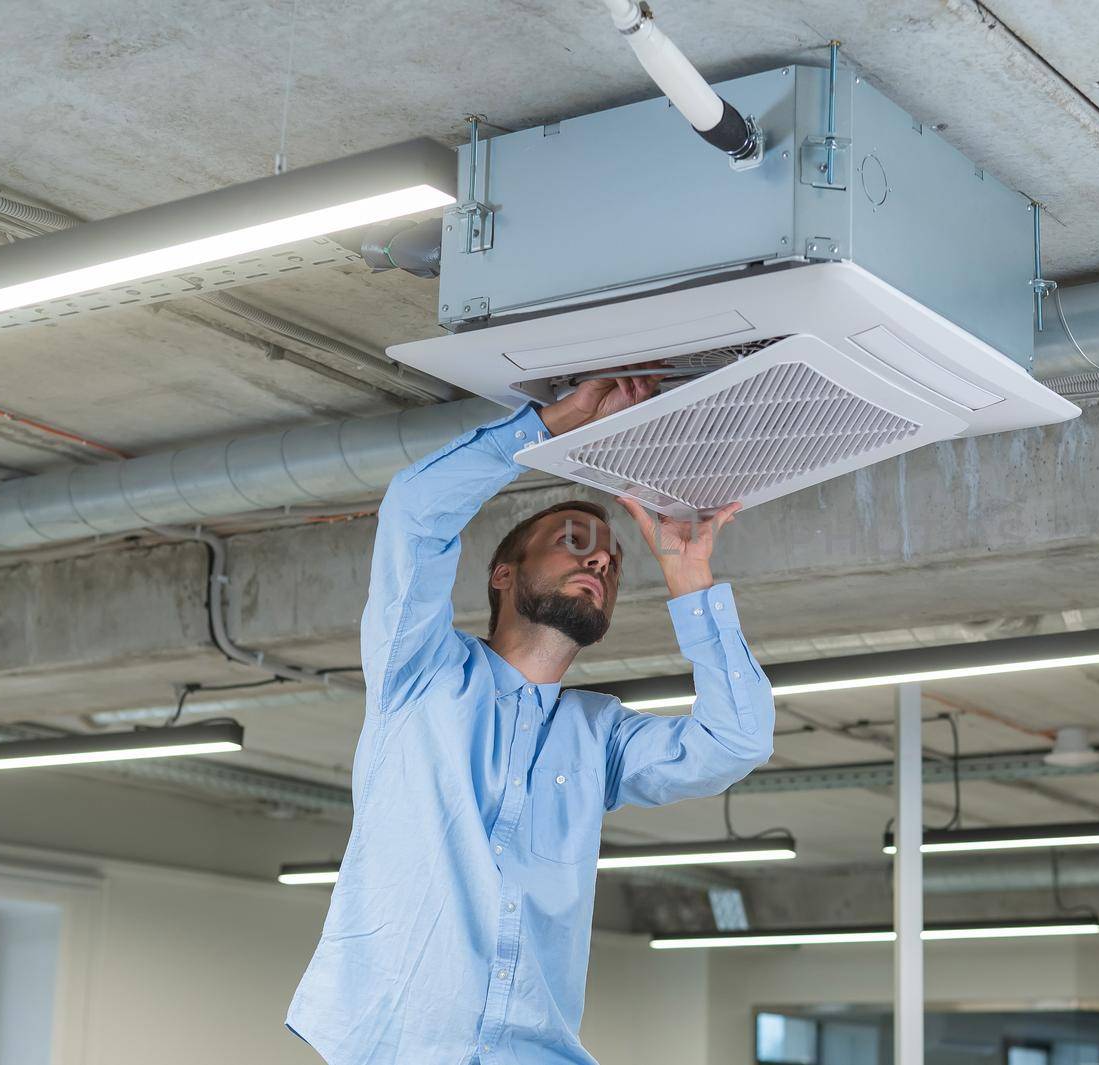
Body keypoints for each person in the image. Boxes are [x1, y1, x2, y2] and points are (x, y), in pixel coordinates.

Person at [285, 374, 774, 1064]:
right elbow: (415, 513)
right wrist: (546, 425)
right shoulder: (419, 671)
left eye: (610, 556)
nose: (601, 557)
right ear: (503, 574)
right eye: (573, 539)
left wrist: (690, 581)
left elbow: (735, 739)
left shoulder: (598, 735)